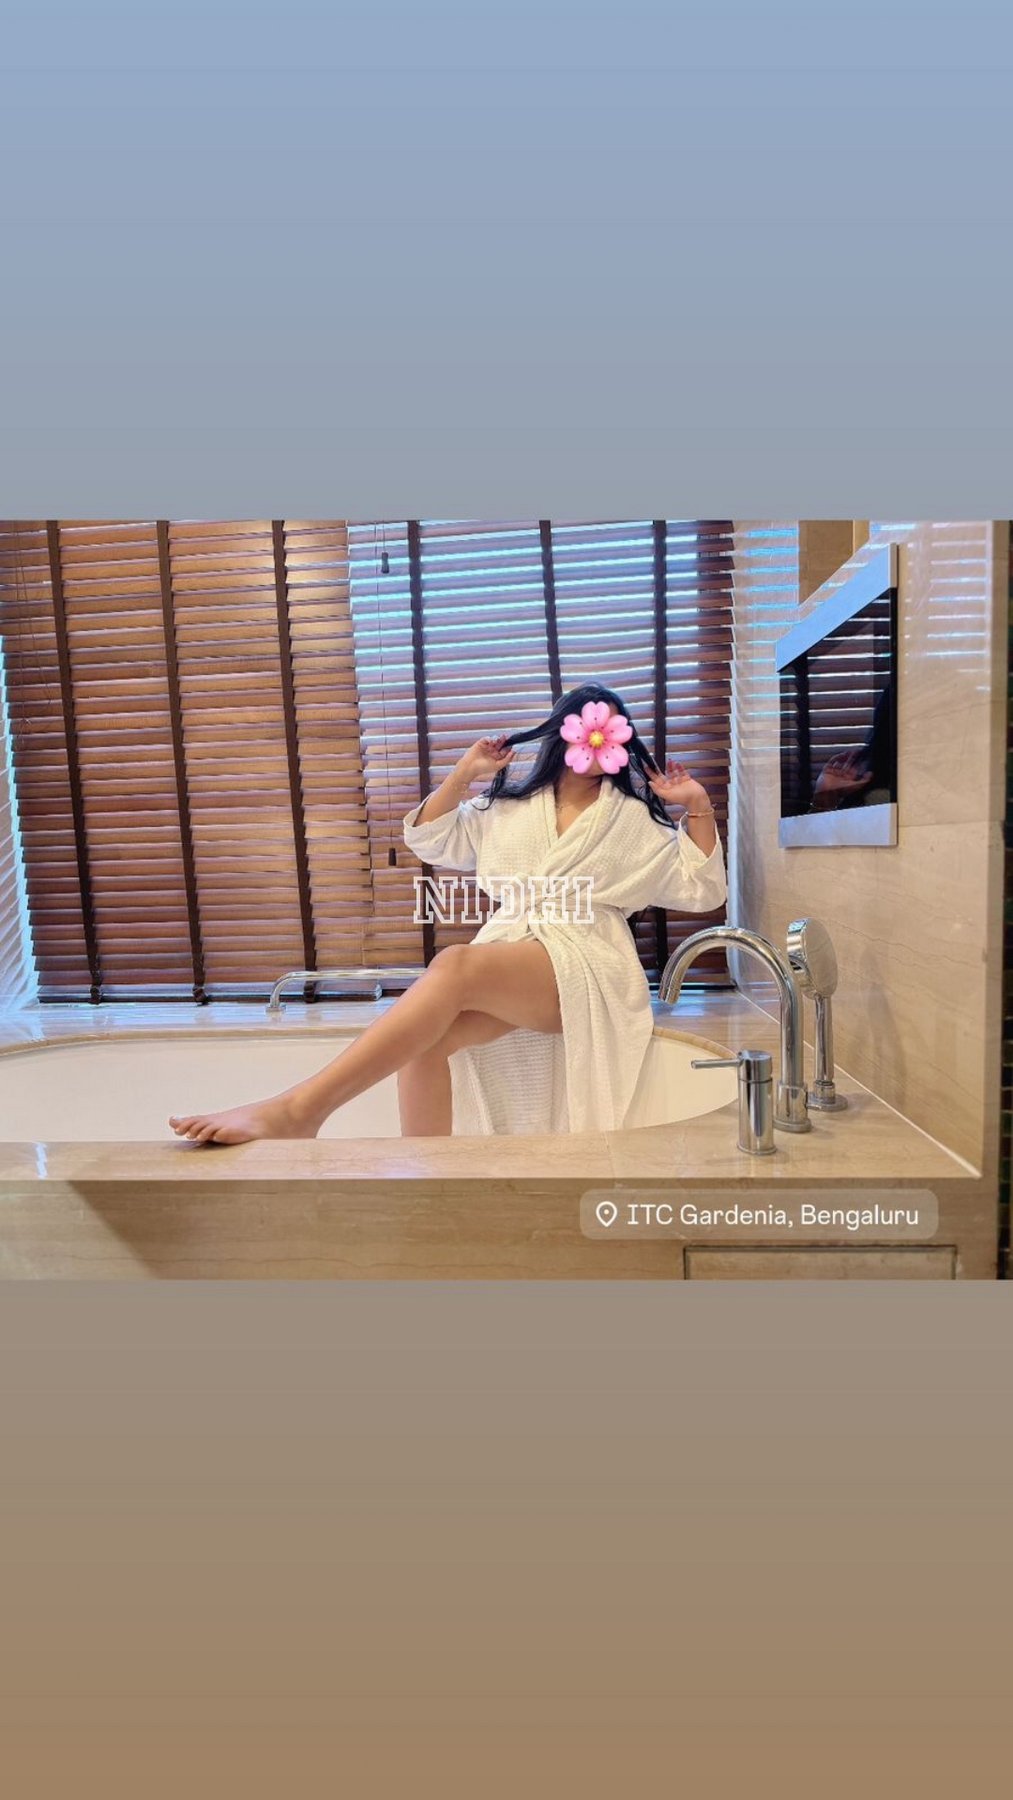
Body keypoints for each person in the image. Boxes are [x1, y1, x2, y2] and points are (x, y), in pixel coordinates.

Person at [168, 681, 726, 1144]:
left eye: (606, 737)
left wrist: (697, 807)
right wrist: (465, 772)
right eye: (583, 732)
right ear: (560, 735)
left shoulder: (632, 819)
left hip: (588, 960)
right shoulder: (507, 806)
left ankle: (300, 1109)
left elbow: (700, 889)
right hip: (520, 948)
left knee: (456, 964)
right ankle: (427, 1177)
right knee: (426, 1041)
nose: (593, 747)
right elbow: (430, 837)